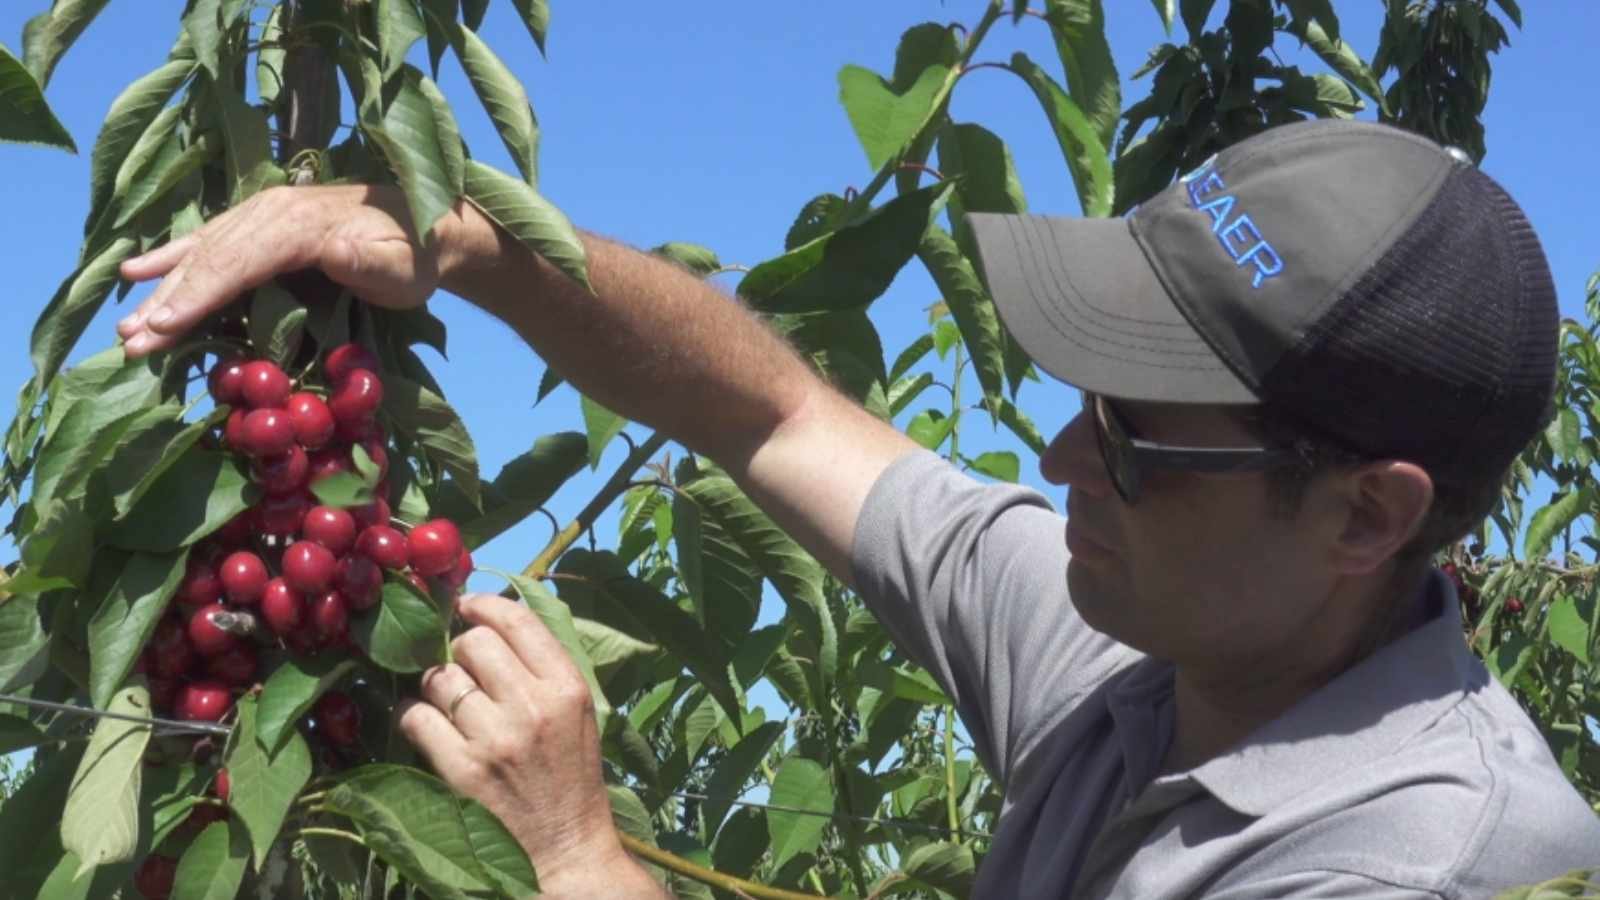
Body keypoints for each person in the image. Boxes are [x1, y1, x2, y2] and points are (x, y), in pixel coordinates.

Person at [115, 118, 1600, 898]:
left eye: (1140, 438)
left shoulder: (1423, 868)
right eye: (1082, 399)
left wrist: (574, 860)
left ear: (1363, 520)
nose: (1064, 464)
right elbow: (775, 410)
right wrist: (465, 245)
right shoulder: (1150, 654)